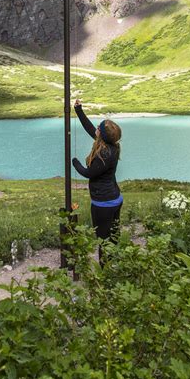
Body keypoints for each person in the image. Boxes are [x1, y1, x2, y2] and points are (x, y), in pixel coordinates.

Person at [72, 99, 122, 264]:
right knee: (113, 236)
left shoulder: (103, 154)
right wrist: (79, 110)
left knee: (103, 239)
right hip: (115, 199)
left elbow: (88, 173)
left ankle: (105, 271)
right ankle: (116, 265)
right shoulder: (112, 146)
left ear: (101, 134)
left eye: (98, 128)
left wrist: (75, 162)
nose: (96, 129)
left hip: (103, 203)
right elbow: (89, 128)